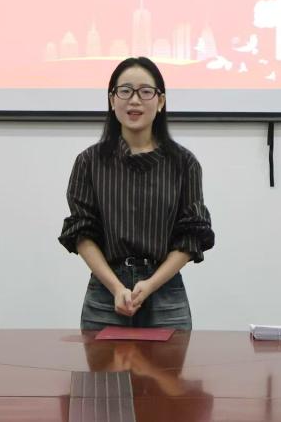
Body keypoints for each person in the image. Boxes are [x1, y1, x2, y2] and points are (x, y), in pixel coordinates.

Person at [58, 56, 214, 330]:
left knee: (168, 361)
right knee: (102, 362)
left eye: (145, 92)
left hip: (166, 292)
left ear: (161, 101)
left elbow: (191, 236)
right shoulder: (89, 162)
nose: (134, 100)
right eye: (125, 91)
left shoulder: (183, 163)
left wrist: (151, 284)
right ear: (112, 99)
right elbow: (82, 233)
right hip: (106, 293)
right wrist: (116, 287)